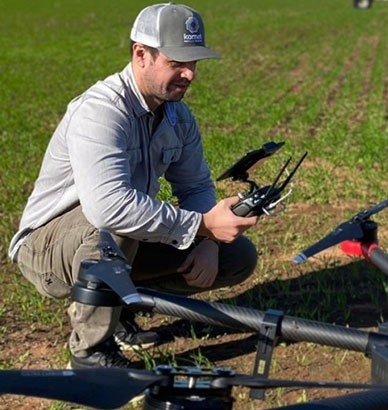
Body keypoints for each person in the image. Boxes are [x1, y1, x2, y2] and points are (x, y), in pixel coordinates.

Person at [8, 3, 259, 369]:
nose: (189, 74)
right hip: (46, 247)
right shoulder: (101, 112)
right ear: (141, 55)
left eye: (194, 63)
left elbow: (195, 186)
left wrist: (207, 241)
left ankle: (117, 307)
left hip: (110, 238)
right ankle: (91, 354)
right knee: (113, 228)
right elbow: (108, 207)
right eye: (177, 63)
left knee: (236, 257)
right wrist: (202, 226)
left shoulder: (177, 115)